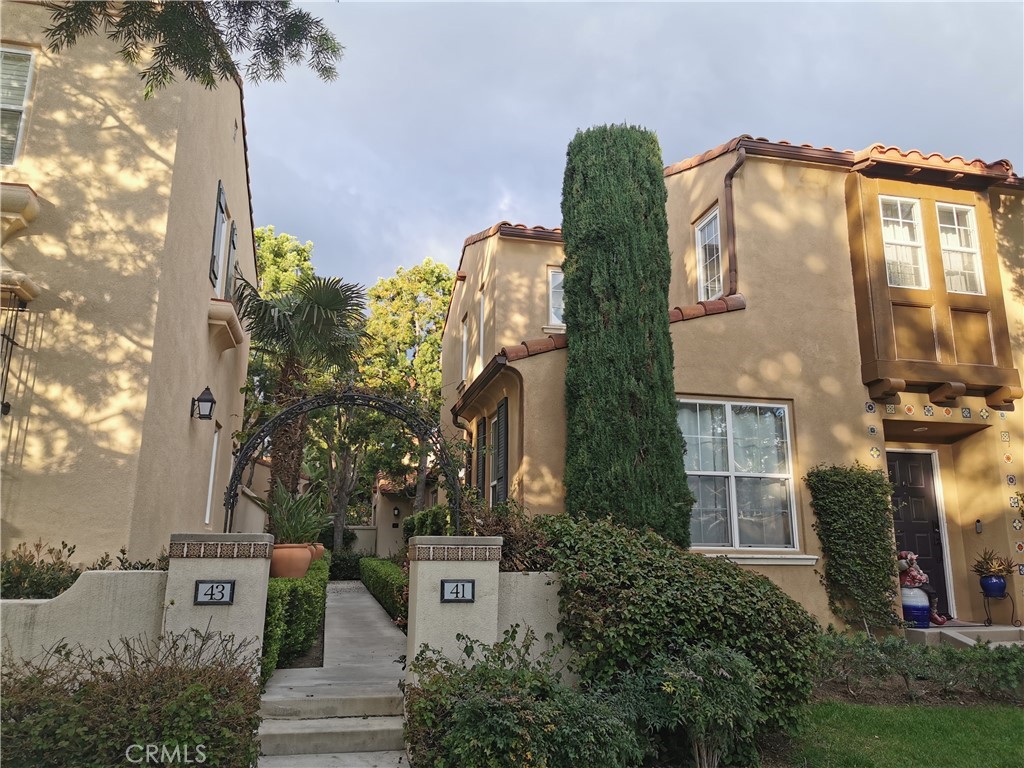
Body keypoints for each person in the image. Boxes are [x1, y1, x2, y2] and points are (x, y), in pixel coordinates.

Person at [898, 550, 947, 625]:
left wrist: (922, 574)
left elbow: (918, 574)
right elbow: (916, 577)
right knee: (931, 592)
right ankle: (932, 613)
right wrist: (923, 577)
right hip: (912, 584)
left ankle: (933, 612)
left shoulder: (914, 567)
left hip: (915, 584)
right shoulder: (907, 567)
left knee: (931, 593)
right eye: (912, 558)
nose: (914, 560)